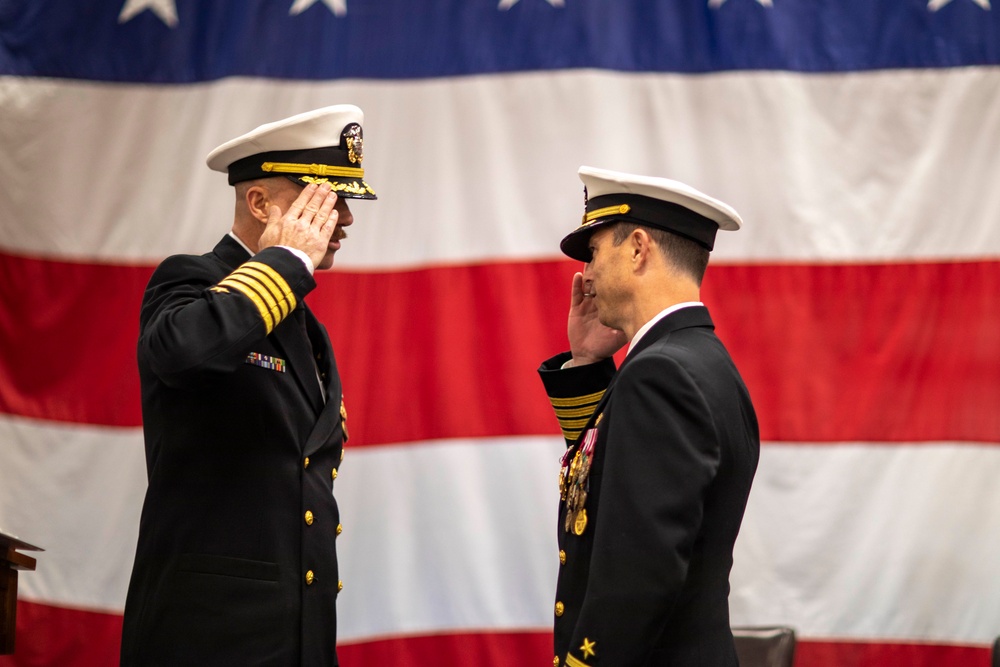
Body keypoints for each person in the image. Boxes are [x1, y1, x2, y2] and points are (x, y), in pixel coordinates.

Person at [120, 105, 376, 666]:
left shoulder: (307, 329)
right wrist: (284, 261)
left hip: (293, 638)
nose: (347, 220)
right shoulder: (189, 280)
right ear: (260, 204)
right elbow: (184, 353)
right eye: (326, 200)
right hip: (206, 639)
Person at [538, 166, 760, 667]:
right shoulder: (702, 359)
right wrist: (589, 366)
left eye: (594, 252)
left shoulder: (660, 373)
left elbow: (636, 575)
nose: (587, 274)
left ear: (638, 248)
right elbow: (610, 486)